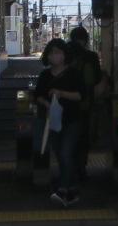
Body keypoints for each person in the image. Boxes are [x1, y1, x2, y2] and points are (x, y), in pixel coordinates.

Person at [33, 37, 90, 207]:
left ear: (65, 55)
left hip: (72, 120)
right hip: (53, 121)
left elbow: (81, 95)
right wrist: (46, 103)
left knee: (65, 153)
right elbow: (38, 96)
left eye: (57, 52)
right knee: (60, 155)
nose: (54, 56)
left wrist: (61, 93)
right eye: (51, 53)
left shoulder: (73, 74)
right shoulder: (45, 75)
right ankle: (72, 190)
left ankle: (63, 189)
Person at [66, 26, 110, 187]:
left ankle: (67, 170)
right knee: (83, 138)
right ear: (85, 40)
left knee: (66, 138)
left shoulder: (64, 54)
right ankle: (81, 170)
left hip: (65, 105)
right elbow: (97, 79)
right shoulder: (90, 57)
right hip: (85, 105)